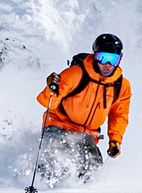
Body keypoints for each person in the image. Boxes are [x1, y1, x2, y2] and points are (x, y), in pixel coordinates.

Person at [35, 33, 131, 183]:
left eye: (113, 60)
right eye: (103, 58)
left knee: (92, 165)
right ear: (95, 56)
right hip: (58, 124)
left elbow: (119, 115)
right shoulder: (75, 74)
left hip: (87, 134)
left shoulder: (121, 85)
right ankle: (43, 188)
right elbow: (47, 102)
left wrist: (115, 140)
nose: (107, 64)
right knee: (54, 157)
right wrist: (51, 89)